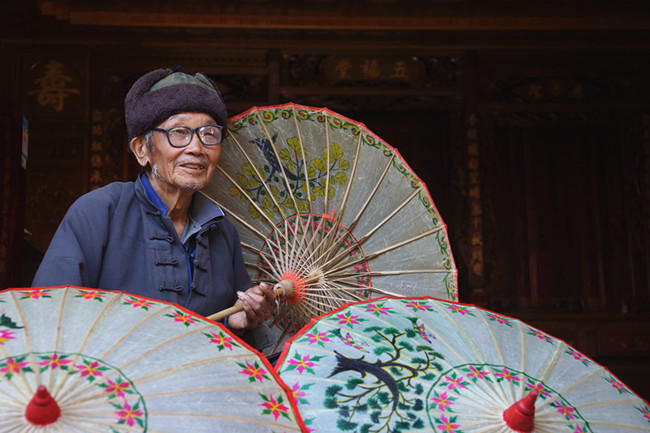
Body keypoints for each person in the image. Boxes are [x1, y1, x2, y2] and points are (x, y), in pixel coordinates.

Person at [32, 66, 276, 348]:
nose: (197, 148)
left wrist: (239, 322)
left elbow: (226, 341)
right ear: (142, 150)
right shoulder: (98, 213)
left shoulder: (222, 230)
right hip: (110, 385)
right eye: (179, 132)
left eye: (209, 134)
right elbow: (48, 316)